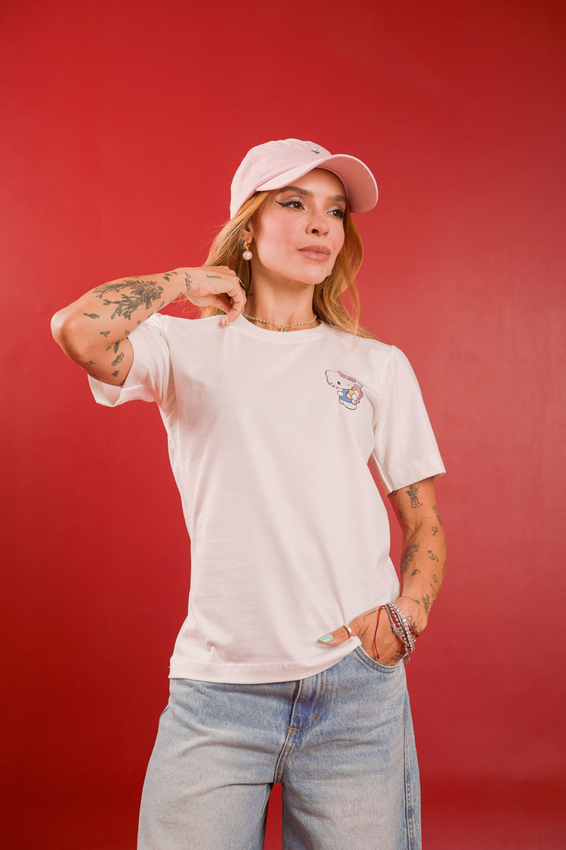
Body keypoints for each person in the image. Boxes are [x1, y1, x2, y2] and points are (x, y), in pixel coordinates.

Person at [51, 138, 447, 850]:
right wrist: (185, 281)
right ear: (248, 227)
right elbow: (78, 330)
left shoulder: (377, 365)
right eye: (293, 204)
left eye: (334, 211)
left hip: (354, 689)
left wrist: (405, 616)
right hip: (218, 693)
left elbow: (424, 522)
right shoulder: (184, 348)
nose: (320, 224)